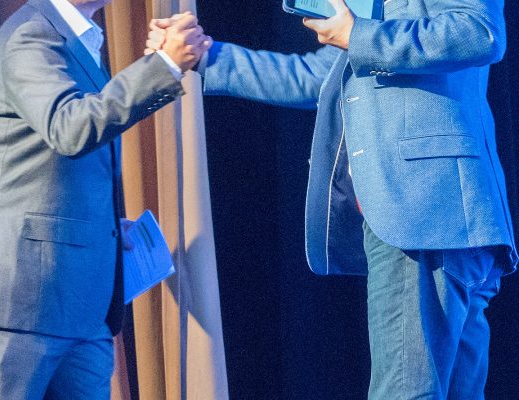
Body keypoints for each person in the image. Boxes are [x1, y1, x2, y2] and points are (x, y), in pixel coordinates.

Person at [149, 0, 517, 398]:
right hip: (435, 216)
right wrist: (206, 55)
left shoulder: (372, 29)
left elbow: (480, 32)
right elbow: (314, 77)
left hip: (424, 211)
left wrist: (358, 35)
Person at [0, 0, 211, 398]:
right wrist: (163, 66)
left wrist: (107, 224)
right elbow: (70, 127)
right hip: (21, 301)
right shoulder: (30, 35)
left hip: (81, 306)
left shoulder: (77, 40)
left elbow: (54, 167)